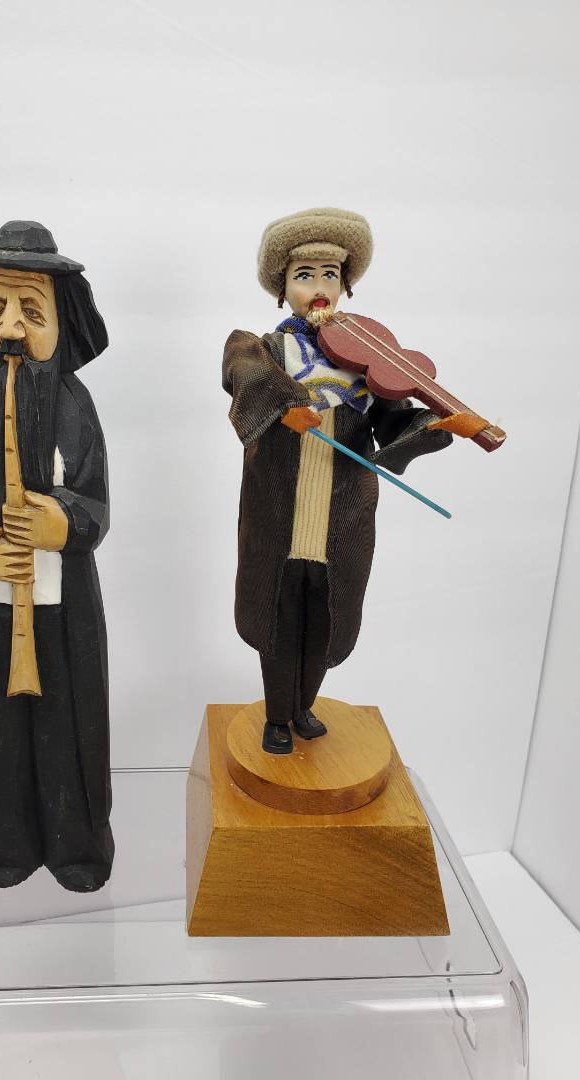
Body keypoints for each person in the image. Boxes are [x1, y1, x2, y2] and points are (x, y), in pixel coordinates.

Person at [223, 207, 453, 755]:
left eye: (330, 275)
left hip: (342, 512)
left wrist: (438, 424)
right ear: (282, 288)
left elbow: (392, 422)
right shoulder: (264, 348)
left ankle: (304, 706)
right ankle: (276, 716)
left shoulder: (367, 361)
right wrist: (284, 408)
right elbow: (244, 375)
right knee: (278, 613)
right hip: (278, 512)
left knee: (327, 615)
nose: (319, 288)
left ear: (345, 285)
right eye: (304, 276)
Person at [0, 220, 114, 890]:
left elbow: (96, 505)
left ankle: (77, 846)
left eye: (31, 312)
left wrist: (62, 522)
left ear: (62, 325)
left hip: (62, 609)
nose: (10, 327)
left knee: (70, 732)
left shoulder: (75, 408)